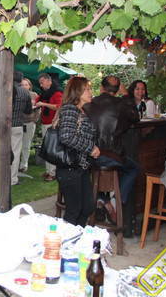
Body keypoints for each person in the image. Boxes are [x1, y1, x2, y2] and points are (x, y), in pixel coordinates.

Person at [84, 75, 140, 237]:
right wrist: (127, 95)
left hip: (89, 154)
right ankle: (115, 201)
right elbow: (135, 118)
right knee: (134, 168)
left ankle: (101, 198)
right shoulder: (122, 104)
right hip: (112, 155)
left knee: (93, 174)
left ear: (102, 88)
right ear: (117, 90)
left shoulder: (89, 103)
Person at [57, 76, 99, 226]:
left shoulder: (80, 110)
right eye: (86, 89)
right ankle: (67, 238)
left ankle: (77, 235)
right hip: (70, 168)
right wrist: (90, 148)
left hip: (79, 167)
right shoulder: (70, 109)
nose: (90, 92)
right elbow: (66, 136)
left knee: (86, 207)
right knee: (74, 210)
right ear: (77, 92)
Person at [35, 73, 63, 181]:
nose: (41, 85)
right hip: (45, 123)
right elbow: (37, 100)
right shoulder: (45, 93)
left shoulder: (57, 93)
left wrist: (44, 104)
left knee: (51, 149)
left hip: (53, 124)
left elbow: (59, 107)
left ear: (49, 81)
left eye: (42, 83)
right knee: (47, 149)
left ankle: (53, 173)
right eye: (40, 83)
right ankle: (48, 171)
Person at [11, 71, 34, 185]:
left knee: (1, 151)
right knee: (15, 153)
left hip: (2, 126)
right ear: (21, 80)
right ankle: (12, 179)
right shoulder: (25, 92)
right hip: (17, 125)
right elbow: (28, 111)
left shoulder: (5, 88)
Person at [18, 77, 40, 173]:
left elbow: (39, 109)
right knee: (16, 145)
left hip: (30, 123)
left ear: (29, 86)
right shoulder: (17, 94)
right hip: (18, 123)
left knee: (26, 145)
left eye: (26, 84)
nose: (24, 86)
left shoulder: (34, 95)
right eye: (22, 84)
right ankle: (15, 164)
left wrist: (34, 120)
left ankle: (24, 165)